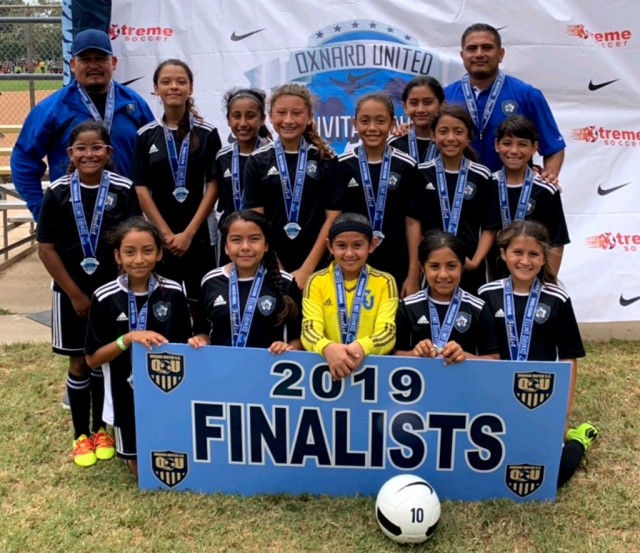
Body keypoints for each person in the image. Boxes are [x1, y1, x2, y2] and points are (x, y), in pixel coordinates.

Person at [37, 121, 138, 467]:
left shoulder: (124, 190)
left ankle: (102, 430)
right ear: (70, 154)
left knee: (104, 360)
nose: (89, 154)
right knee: (79, 360)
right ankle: (81, 435)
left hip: (111, 296)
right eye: (81, 148)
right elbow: (46, 248)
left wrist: (119, 290)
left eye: (97, 147)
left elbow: (132, 243)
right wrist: (76, 294)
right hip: (70, 293)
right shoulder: (58, 192)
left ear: (109, 153)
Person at [478, 220, 598, 488]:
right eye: (517, 252)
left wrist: (564, 412)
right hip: (495, 399)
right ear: (503, 253)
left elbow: (569, 357)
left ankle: (579, 438)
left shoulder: (557, 298)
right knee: (491, 468)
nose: (525, 261)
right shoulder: (487, 295)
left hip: (541, 398)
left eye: (533, 254)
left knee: (549, 478)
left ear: (544, 258)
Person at [84, 217, 191, 478]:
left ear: (160, 253)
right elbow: (92, 360)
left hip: (167, 389)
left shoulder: (174, 292)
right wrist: (127, 338)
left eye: (147, 250)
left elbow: (184, 347)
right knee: (141, 473)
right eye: (129, 252)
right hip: (123, 393)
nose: (139, 259)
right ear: (117, 256)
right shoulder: (104, 296)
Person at [11, 29, 154, 222]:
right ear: (72, 64)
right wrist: (41, 210)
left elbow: (154, 155)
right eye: (85, 59)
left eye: (101, 58)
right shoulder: (51, 109)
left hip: (126, 212)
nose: (93, 65)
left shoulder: (134, 103)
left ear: (113, 63)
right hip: (72, 214)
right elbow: (23, 159)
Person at [130, 59, 222, 308]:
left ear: (190, 88)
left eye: (181, 82)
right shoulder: (145, 135)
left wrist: (189, 233)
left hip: (200, 235)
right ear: (155, 88)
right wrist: (166, 233)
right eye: (166, 82)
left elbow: (214, 185)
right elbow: (141, 187)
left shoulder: (208, 133)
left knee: (200, 304)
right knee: (162, 303)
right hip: (160, 237)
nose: (174, 87)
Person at [242, 83, 342, 290]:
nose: (288, 120)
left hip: (317, 263)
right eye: (281, 113)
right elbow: (255, 221)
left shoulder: (326, 159)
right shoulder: (257, 161)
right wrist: (277, 269)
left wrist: (307, 270)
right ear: (270, 117)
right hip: (270, 262)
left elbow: (332, 218)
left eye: (296, 113)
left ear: (309, 117)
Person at [444, 23, 565, 177]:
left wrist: (549, 176)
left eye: (487, 47)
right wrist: (406, 130)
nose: (479, 54)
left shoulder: (527, 94)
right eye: (472, 48)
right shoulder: (445, 96)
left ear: (501, 54)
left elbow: (554, 146)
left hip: (512, 193)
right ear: (462, 56)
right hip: (458, 193)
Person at [406, 105, 500, 296]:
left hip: (469, 266)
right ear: (433, 135)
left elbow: (490, 226)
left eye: (458, 132)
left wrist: (475, 261)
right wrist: (414, 274)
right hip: (431, 266)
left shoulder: (482, 176)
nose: (450, 138)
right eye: (443, 131)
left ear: (468, 138)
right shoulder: (421, 173)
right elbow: (414, 223)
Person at [301, 213, 399, 380]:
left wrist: (360, 348)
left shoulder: (385, 282)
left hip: (372, 373)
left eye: (357, 245)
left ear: (372, 245)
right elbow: (309, 330)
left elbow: (387, 333)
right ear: (330, 247)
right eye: (341, 245)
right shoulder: (316, 281)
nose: (349, 253)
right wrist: (328, 348)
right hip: (327, 368)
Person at [339, 92, 420, 294]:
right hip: (352, 262)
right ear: (354, 123)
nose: (372, 128)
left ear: (393, 123)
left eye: (381, 121)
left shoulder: (407, 166)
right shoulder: (342, 165)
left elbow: (412, 222)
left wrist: (413, 274)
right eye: (365, 121)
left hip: (397, 263)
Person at [190, 210, 302, 352]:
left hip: (270, 370)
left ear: (266, 245)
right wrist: (201, 340)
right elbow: (201, 330)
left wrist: (289, 349)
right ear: (225, 247)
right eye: (236, 240)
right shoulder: (210, 281)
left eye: (254, 239)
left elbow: (298, 336)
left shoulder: (286, 282)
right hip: (220, 369)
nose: (245, 247)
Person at [394, 230, 499, 363]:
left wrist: (465, 356)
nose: (443, 274)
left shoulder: (478, 308)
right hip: (420, 382)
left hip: (464, 382)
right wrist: (414, 353)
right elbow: (392, 354)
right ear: (422, 268)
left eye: (451, 266)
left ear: (462, 267)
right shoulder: (408, 307)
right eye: (434, 266)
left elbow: (494, 359)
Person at [491, 116, 569, 276]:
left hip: (534, 279)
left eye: (522, 144)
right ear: (496, 145)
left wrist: (548, 283)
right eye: (507, 143)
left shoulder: (546, 189)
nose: (514, 150)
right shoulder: (487, 184)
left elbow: (556, 241)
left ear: (534, 148)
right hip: (492, 279)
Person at [215, 88, 272, 265]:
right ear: (228, 120)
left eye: (250, 116)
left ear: (262, 119)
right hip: (232, 240)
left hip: (262, 239)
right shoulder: (222, 157)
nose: (243, 123)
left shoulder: (272, 157)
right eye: (236, 116)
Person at [388, 76, 445, 164]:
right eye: (414, 103)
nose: (420, 109)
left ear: (442, 105)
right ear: (405, 107)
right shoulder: (393, 144)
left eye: (428, 102)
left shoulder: (450, 143)